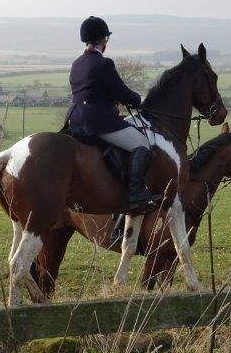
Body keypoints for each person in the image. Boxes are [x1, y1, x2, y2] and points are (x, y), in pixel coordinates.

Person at [65, 16, 161, 211]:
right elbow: (121, 92)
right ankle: (135, 193)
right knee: (143, 144)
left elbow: (91, 91)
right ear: (104, 39)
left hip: (74, 119)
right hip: (98, 122)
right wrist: (140, 100)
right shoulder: (104, 63)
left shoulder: (76, 63)